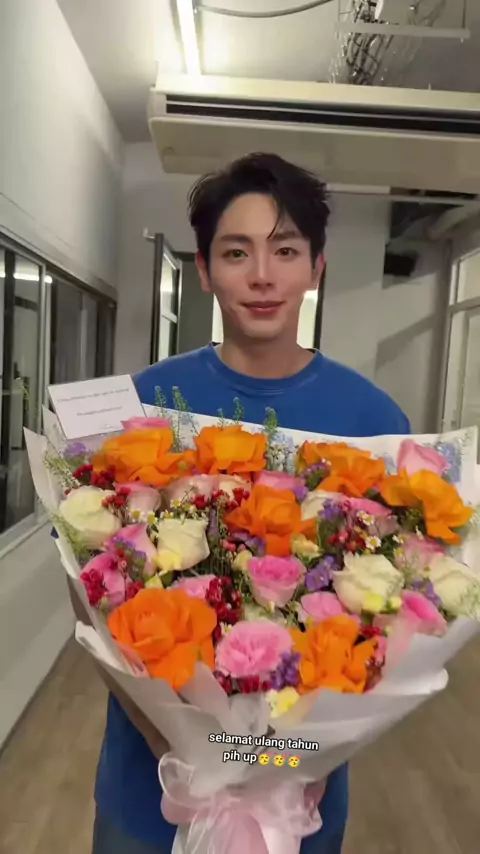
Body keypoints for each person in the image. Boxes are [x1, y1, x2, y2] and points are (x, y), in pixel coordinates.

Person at [90, 152, 411, 853]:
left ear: (316, 267)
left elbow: (398, 613)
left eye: (285, 251)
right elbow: (90, 586)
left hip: (299, 802)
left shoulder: (375, 423)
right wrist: (177, 743)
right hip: (151, 788)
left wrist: (278, 762)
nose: (262, 276)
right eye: (237, 252)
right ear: (205, 270)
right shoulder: (146, 402)